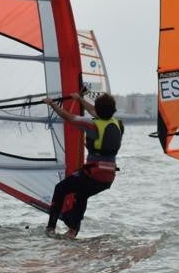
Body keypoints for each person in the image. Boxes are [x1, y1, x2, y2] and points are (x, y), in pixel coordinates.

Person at [43, 92, 124, 238]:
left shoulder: (92, 125)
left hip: (94, 174)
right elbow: (95, 111)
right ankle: (73, 230)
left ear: (99, 110)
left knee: (60, 189)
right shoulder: (118, 124)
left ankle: (51, 228)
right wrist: (80, 99)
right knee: (81, 195)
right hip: (108, 178)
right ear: (112, 111)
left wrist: (52, 104)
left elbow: (69, 117)